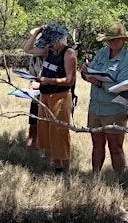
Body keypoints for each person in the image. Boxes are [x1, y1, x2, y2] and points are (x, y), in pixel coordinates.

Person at [80, 23, 128, 174]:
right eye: (109, 40)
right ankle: (95, 176)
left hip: (115, 109)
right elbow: (90, 74)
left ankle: (120, 180)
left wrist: (98, 83)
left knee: (115, 147)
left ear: (124, 40)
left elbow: (123, 87)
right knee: (97, 144)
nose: (112, 43)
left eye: (116, 40)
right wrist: (85, 72)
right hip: (95, 107)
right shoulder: (102, 53)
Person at [23, 23, 77, 173]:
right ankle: (56, 166)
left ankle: (65, 170)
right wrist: (37, 33)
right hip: (44, 96)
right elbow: (27, 49)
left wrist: (48, 80)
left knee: (60, 133)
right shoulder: (48, 51)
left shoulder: (68, 53)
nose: (50, 47)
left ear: (59, 39)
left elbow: (69, 80)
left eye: (51, 43)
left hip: (60, 97)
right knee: (46, 133)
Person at [26, 27, 46, 149]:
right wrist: (31, 86)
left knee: (48, 128)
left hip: (51, 98)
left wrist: (40, 85)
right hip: (36, 98)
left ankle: (47, 154)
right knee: (33, 126)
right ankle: (30, 151)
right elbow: (31, 77)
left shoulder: (56, 57)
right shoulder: (34, 58)